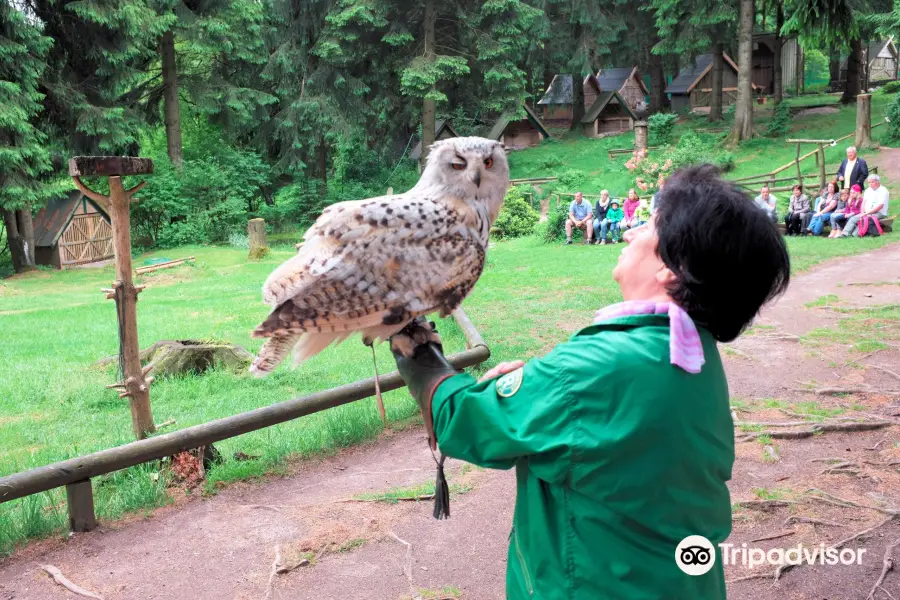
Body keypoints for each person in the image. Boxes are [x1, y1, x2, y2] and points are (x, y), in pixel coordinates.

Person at [387, 164, 790, 600]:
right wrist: (540, 390)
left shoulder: (599, 368)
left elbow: (463, 422)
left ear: (673, 269)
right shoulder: (692, 357)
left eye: (649, 225)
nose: (629, 232)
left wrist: (417, 351)